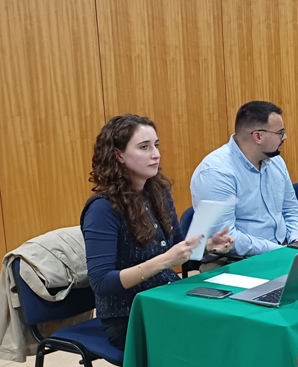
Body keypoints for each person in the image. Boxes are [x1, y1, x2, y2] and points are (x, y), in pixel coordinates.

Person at [82, 115, 232, 349]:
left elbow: (179, 249)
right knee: (212, 337)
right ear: (118, 155)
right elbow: (102, 282)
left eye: (156, 145)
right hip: (128, 315)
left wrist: (208, 245)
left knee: (232, 319)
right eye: (144, 147)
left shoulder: (158, 193)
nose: (156, 154)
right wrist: (164, 261)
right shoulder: (103, 209)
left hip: (166, 295)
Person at [190, 101, 298, 257]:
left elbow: (291, 209)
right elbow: (226, 238)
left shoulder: (276, 161)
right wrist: (281, 252)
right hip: (235, 260)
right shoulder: (216, 172)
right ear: (257, 136)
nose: (285, 137)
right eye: (280, 132)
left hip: (283, 248)